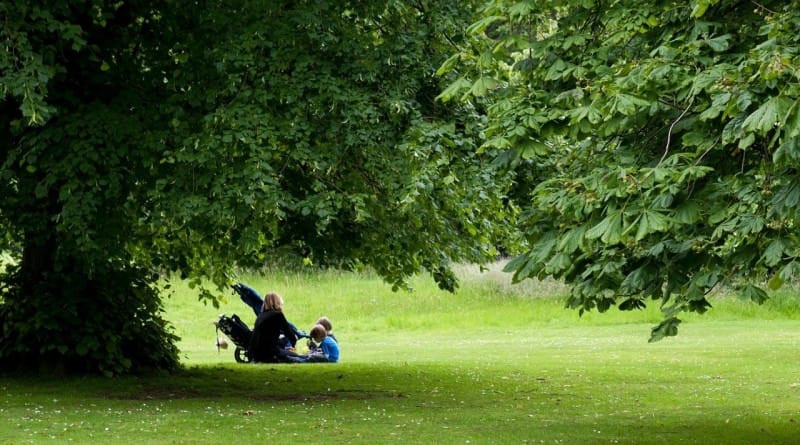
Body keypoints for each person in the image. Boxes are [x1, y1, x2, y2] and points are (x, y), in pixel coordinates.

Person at [248, 291, 298, 363]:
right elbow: (288, 333)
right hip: (269, 353)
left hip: (255, 354)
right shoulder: (277, 315)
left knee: (286, 352)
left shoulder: (260, 316)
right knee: (295, 356)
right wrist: (294, 343)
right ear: (277, 302)